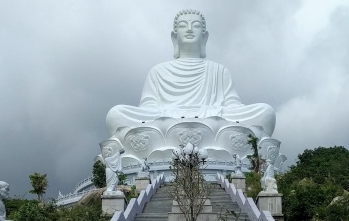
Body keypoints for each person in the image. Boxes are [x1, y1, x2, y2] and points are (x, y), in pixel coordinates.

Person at [106, 10, 276, 137]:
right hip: (166, 117)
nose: (189, 29)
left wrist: (215, 113)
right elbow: (148, 107)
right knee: (116, 114)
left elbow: (232, 104)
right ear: (174, 36)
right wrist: (166, 113)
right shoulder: (158, 71)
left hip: (213, 116)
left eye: (195, 26)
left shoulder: (218, 70)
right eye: (182, 26)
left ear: (205, 36)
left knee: (265, 112)